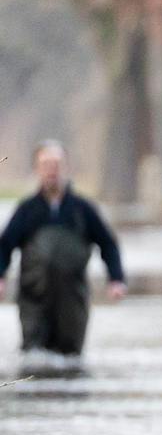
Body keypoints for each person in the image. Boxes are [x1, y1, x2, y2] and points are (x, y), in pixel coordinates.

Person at [0, 142, 127, 358]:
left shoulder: (82, 209)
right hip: (34, 298)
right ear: (37, 169)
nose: (52, 169)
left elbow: (108, 244)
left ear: (66, 167)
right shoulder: (27, 210)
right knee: (34, 357)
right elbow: (5, 246)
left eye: (56, 164)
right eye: (46, 164)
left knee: (70, 359)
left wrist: (116, 279)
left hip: (72, 299)